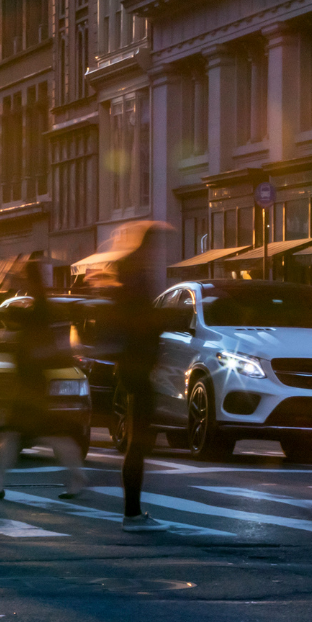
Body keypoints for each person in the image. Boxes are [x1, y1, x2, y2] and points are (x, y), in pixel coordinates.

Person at [0, 260, 87, 500]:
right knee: (40, 433)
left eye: (23, 278)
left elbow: (22, 319)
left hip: (30, 383)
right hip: (30, 381)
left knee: (23, 432)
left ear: (30, 279)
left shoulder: (39, 306)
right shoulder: (39, 304)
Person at [105, 220, 172, 532]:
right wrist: (166, 319)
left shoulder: (130, 278)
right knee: (137, 442)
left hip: (132, 368)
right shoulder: (136, 283)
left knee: (137, 442)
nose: (160, 253)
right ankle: (131, 513)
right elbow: (142, 324)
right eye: (158, 246)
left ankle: (132, 511)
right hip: (137, 368)